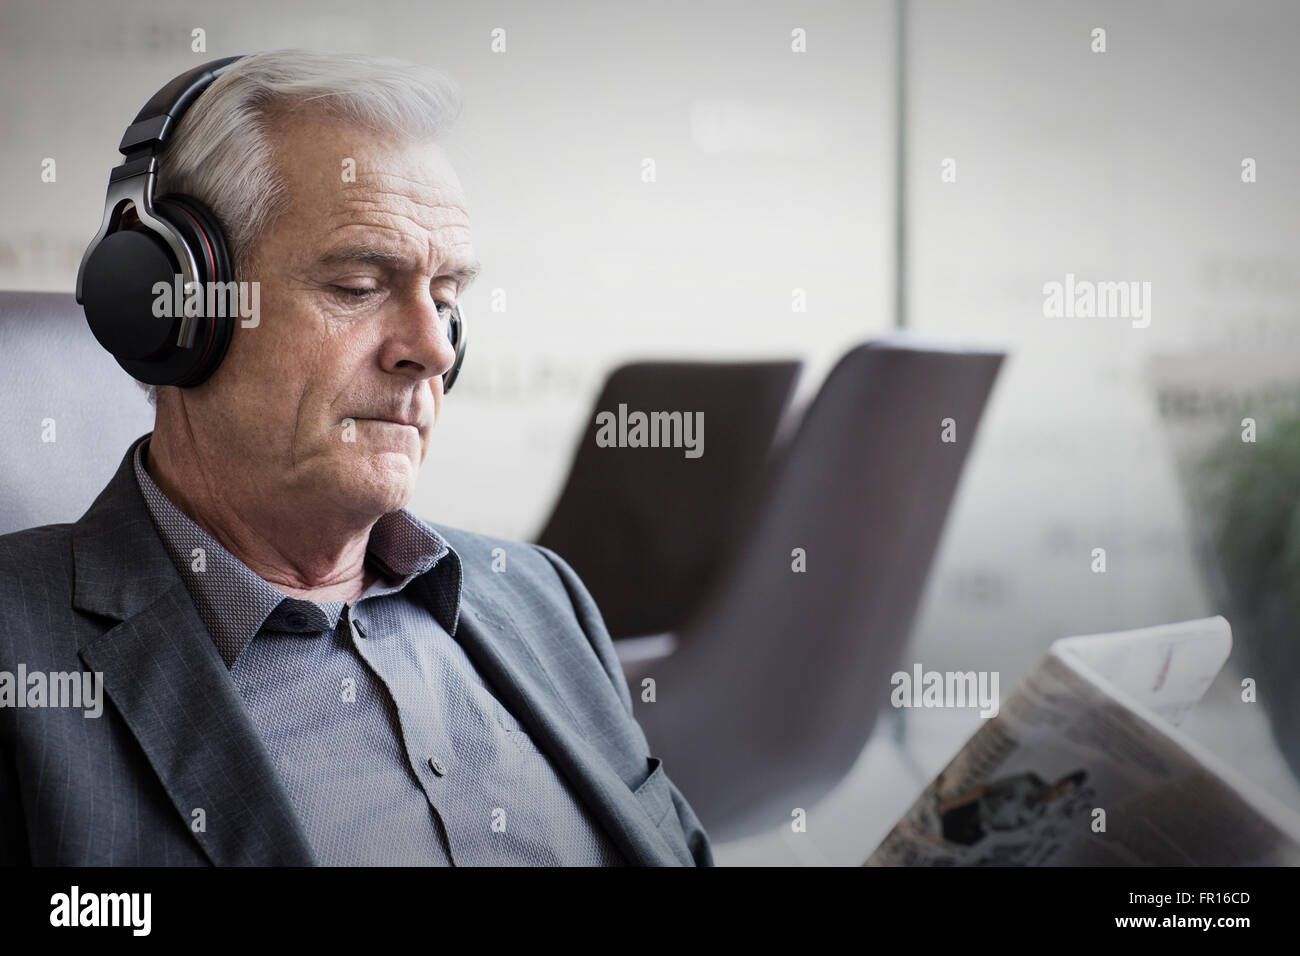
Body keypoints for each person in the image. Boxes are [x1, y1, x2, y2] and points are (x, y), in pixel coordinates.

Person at [0, 49, 711, 867]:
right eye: (359, 285)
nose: (433, 351)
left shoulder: (545, 600)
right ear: (175, 307)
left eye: (447, 301)